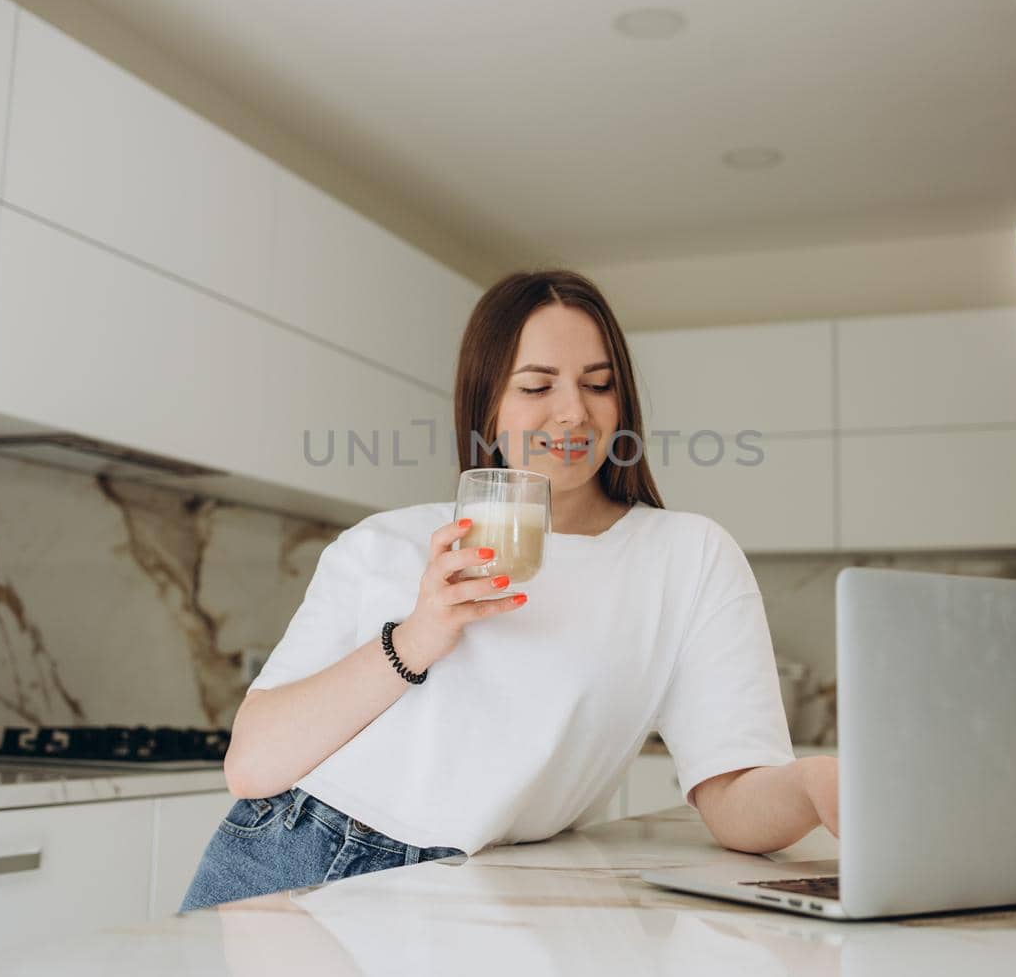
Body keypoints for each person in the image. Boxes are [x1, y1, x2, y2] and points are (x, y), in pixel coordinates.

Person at [181, 270, 839, 911]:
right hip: (296, 855)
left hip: (474, 888)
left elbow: (731, 795)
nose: (574, 411)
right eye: (536, 384)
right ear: (488, 406)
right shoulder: (388, 545)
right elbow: (252, 764)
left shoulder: (687, 557)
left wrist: (812, 783)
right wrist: (416, 638)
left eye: (599, 384)